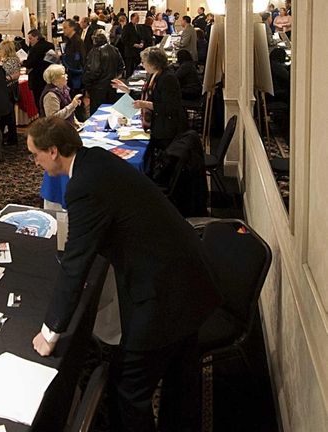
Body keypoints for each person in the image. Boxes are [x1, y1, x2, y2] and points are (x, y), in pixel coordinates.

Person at [26, 115, 219, 432]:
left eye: (36, 154)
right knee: (181, 378)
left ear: (54, 151)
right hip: (188, 278)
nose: (35, 163)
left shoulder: (82, 186)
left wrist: (50, 332)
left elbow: (76, 263)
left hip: (165, 293)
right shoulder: (95, 158)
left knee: (129, 389)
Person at [112, 47, 187, 174]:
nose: (142, 64)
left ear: (153, 63)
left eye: (144, 61)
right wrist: (128, 90)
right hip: (158, 122)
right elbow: (147, 96)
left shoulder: (168, 78)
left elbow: (170, 107)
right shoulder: (154, 75)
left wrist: (145, 104)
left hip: (166, 128)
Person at [83, 30, 125, 115]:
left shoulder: (95, 51)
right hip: (112, 86)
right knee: (110, 112)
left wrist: (86, 84)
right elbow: (122, 67)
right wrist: (114, 78)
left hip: (98, 88)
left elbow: (93, 71)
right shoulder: (114, 49)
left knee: (97, 115)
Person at [23, 29, 56, 111]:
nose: (29, 41)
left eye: (30, 38)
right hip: (49, 76)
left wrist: (23, 62)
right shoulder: (50, 45)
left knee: (39, 101)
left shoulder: (35, 49)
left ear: (36, 37)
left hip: (37, 78)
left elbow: (30, 63)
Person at [0, 40, 21, 146]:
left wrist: (5, 78)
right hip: (11, 88)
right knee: (9, 114)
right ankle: (9, 136)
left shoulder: (11, 61)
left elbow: (16, 74)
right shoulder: (13, 59)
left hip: (9, 89)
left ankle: (11, 138)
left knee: (8, 115)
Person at [61, 20, 86, 98]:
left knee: (76, 98)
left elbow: (80, 59)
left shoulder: (78, 42)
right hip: (70, 73)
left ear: (72, 28)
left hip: (76, 75)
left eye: (65, 28)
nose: (63, 30)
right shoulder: (68, 41)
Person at [121, 13, 144, 78]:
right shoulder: (127, 27)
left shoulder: (139, 26)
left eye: (138, 18)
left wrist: (142, 42)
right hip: (130, 52)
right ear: (132, 18)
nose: (138, 19)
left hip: (138, 51)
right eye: (136, 18)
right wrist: (134, 45)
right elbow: (124, 40)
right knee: (129, 69)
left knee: (137, 68)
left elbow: (141, 37)